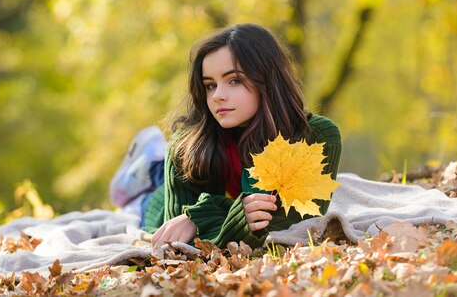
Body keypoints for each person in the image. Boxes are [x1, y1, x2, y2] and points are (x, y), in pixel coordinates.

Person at [110, 23, 342, 249]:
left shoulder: (317, 136)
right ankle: (149, 167)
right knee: (146, 206)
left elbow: (298, 221)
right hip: (159, 202)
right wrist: (218, 214)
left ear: (267, 81)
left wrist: (202, 219)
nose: (218, 96)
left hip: (218, 193)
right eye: (210, 85)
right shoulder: (186, 145)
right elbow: (177, 236)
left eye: (234, 80)